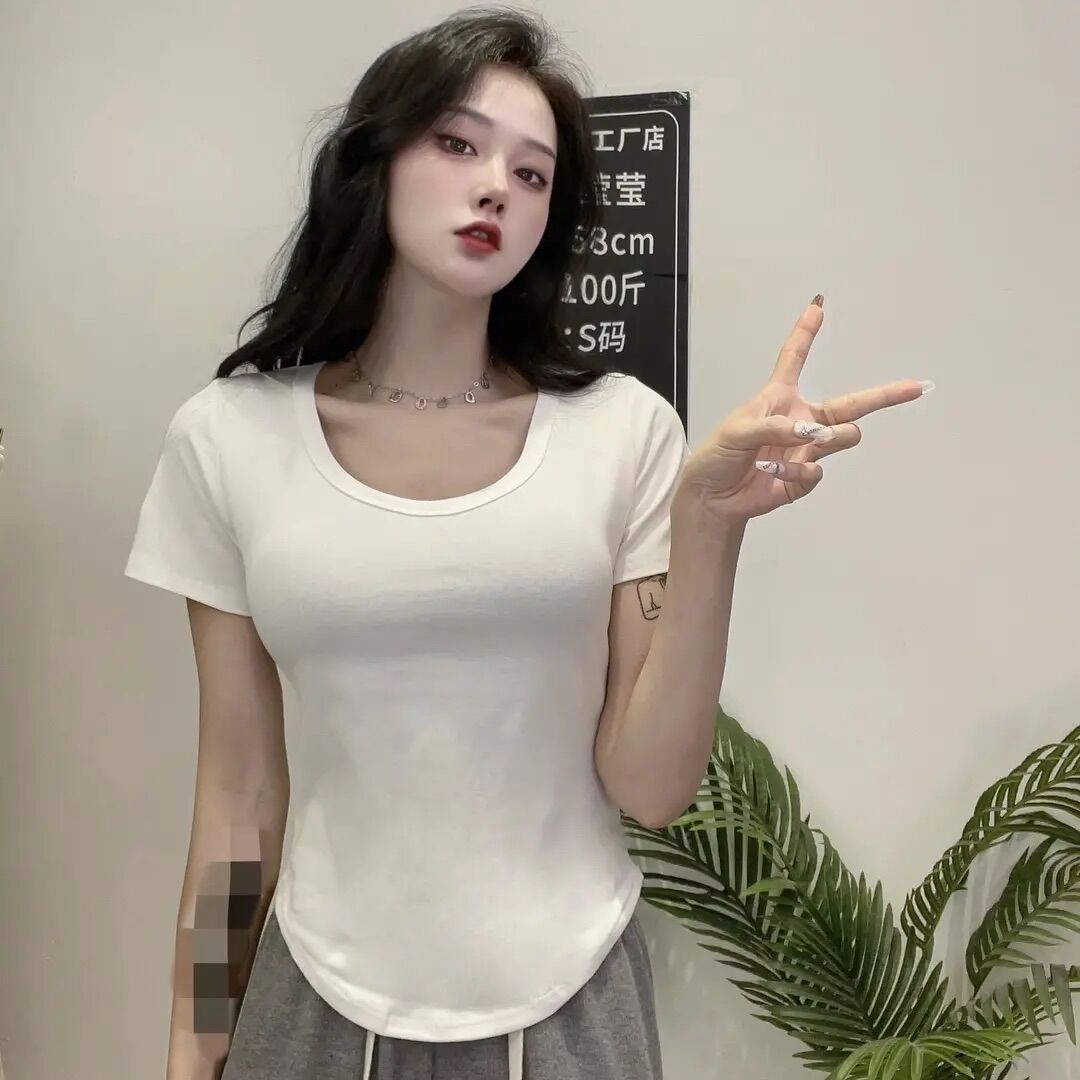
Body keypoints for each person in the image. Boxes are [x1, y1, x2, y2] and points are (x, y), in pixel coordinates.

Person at [126, 7, 678, 1079]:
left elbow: (650, 783)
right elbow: (238, 796)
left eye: (532, 173)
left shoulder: (624, 430)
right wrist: (194, 1047)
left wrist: (713, 527)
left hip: (572, 993)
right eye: (458, 144)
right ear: (372, 161)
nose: (496, 188)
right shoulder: (229, 438)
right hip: (315, 994)